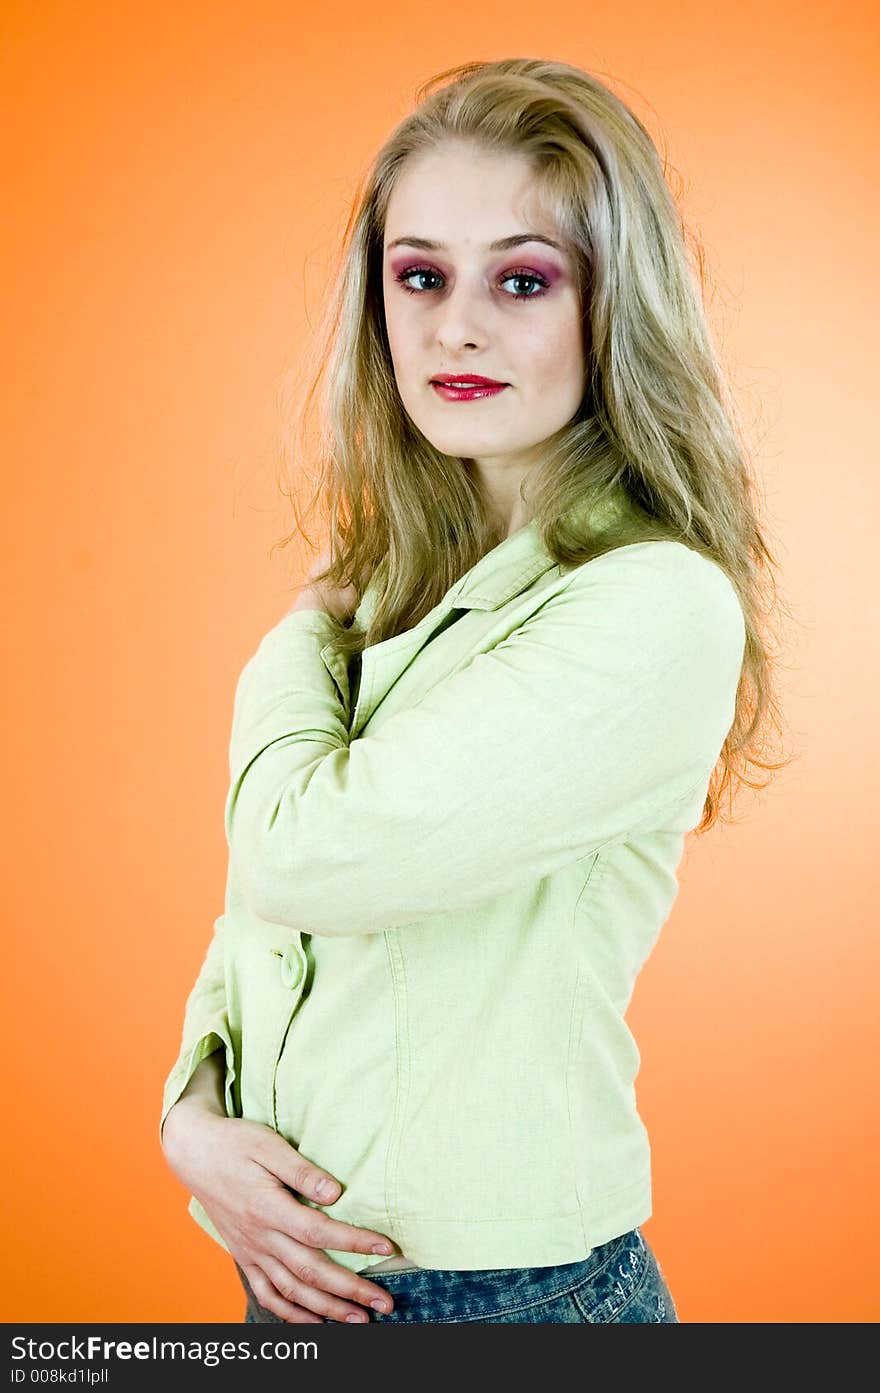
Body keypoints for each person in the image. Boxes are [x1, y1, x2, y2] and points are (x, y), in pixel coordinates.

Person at [158, 56, 788, 1325]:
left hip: (508, 1295)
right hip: (308, 1281)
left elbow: (298, 850)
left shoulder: (653, 602)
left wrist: (296, 625)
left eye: (521, 278)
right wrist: (191, 1119)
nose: (454, 326)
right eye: (420, 275)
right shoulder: (415, 583)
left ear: (613, 307)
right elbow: (271, 930)